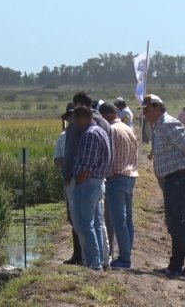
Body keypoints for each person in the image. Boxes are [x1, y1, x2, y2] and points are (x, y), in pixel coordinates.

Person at [140, 94, 185, 278]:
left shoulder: (169, 124)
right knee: (174, 223)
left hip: (179, 179)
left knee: (176, 223)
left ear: (157, 107)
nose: (144, 114)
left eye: (146, 110)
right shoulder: (159, 127)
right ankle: (176, 265)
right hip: (172, 180)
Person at [62, 92, 113, 268]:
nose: (74, 123)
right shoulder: (100, 130)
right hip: (97, 183)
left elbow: (86, 168)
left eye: (75, 119)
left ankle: (93, 262)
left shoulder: (90, 134)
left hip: (88, 184)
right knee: (97, 224)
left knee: (86, 224)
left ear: (82, 117)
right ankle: (100, 260)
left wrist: (79, 183)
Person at [99, 102, 139, 270]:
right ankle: (126, 254)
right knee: (127, 219)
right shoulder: (128, 128)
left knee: (118, 221)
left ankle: (124, 258)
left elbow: (108, 157)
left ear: (106, 115)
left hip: (116, 177)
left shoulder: (112, 131)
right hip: (130, 176)